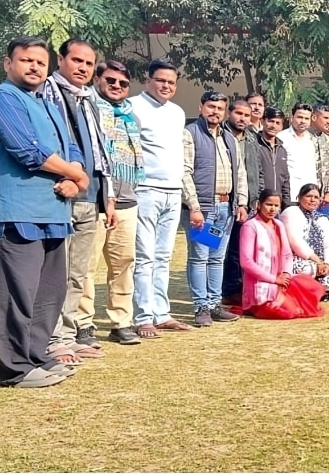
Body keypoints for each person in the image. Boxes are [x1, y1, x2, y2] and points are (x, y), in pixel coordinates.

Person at [0, 37, 88, 387]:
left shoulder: (48, 104)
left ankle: (36, 355)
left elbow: (72, 148)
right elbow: (26, 149)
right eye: (26, 60)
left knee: (49, 292)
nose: (34, 67)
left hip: (54, 211)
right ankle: (14, 369)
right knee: (18, 292)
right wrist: (76, 176)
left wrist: (75, 179)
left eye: (40, 63)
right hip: (16, 211)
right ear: (7, 64)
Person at [40, 39, 111, 361]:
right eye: (77, 60)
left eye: (89, 63)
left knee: (78, 275)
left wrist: (106, 196)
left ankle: (68, 336)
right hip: (61, 194)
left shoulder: (87, 99)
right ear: (60, 59)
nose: (83, 68)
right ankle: (51, 338)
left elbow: (99, 151)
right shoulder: (46, 93)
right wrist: (68, 176)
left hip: (90, 197)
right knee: (55, 273)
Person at [81, 60, 146, 346]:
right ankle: (82, 324)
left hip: (127, 201)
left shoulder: (132, 118)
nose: (117, 86)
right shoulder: (87, 111)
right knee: (86, 266)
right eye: (110, 80)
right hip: (94, 201)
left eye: (123, 83)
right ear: (97, 80)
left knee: (124, 265)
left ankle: (121, 322)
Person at [131, 59, 194, 339]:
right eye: (160, 80)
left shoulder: (177, 112)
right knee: (144, 257)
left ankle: (162, 314)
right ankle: (144, 317)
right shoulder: (133, 107)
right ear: (148, 80)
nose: (166, 86)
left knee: (164, 256)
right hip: (146, 189)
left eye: (171, 82)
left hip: (173, 191)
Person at [181, 91, 249, 326]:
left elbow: (240, 172)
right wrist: (194, 206)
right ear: (201, 107)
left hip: (224, 208)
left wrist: (241, 202)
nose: (215, 112)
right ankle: (201, 307)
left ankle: (213, 304)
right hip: (204, 208)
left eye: (220, 108)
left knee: (216, 258)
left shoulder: (228, 138)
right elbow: (184, 172)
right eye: (211, 107)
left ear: (225, 112)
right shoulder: (191, 134)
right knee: (200, 257)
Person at [238, 189, 323, 319]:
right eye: (268, 204)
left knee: (307, 296)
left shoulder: (279, 225)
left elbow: (287, 254)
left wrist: (286, 275)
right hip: (260, 285)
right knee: (290, 312)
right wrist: (274, 279)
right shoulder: (250, 226)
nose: (272, 209)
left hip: (281, 281)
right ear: (259, 205)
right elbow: (246, 262)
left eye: (276, 205)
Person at [220, 100, 261, 310]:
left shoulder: (252, 139)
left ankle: (232, 290)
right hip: (218, 202)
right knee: (212, 247)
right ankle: (212, 293)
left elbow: (256, 171)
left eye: (247, 115)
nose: (243, 118)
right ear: (229, 113)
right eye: (239, 113)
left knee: (238, 249)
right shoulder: (219, 135)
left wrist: (255, 199)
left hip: (245, 204)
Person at [282, 185, 329, 290]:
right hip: (295, 258)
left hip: (320, 262)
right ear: (299, 197)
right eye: (308, 196)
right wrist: (318, 262)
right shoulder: (291, 212)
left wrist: (327, 264)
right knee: (307, 269)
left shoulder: (322, 218)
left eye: (316, 197)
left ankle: (315, 291)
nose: (312, 200)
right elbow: (296, 243)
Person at [278, 104, 329, 209]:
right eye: (299, 117)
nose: (303, 121)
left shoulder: (313, 139)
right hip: (289, 196)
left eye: (306, 118)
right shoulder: (281, 138)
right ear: (292, 117)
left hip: (310, 197)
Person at [255, 107, 292, 209]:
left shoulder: (281, 149)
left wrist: (286, 204)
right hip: (258, 203)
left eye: (278, 123)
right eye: (271, 121)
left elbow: (285, 178)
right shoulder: (254, 145)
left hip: (276, 205)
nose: (274, 126)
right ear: (262, 121)